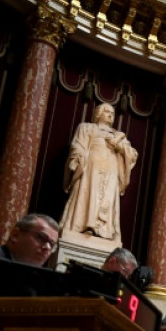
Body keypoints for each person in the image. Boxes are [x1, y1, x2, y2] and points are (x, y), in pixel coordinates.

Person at [61, 103, 138, 242]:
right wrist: (77, 159)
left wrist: (118, 145)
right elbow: (78, 145)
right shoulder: (86, 127)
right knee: (88, 193)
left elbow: (132, 155)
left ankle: (104, 231)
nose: (110, 115)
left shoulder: (119, 135)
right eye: (107, 112)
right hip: (91, 167)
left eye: (113, 113)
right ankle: (82, 225)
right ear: (98, 113)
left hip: (111, 170)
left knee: (107, 199)